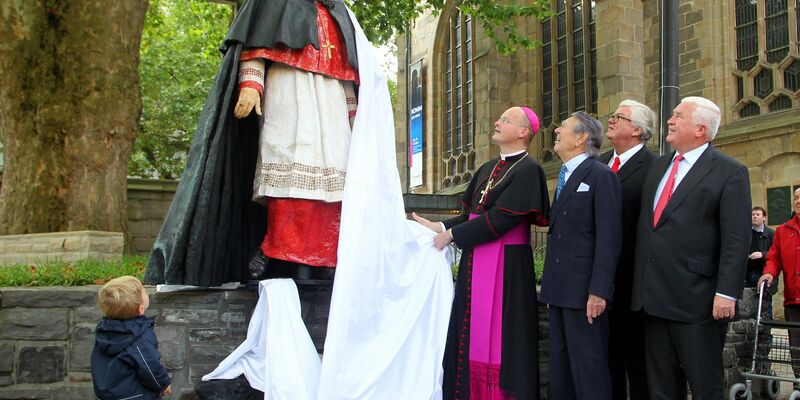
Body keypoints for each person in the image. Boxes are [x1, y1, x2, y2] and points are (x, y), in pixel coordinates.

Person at [146, 0, 362, 286]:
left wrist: (354, 114)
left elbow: (348, 72)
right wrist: (251, 85)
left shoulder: (339, 13)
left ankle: (324, 258)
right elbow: (254, 43)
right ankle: (276, 250)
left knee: (335, 180)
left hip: (331, 102)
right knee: (289, 173)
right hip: (289, 89)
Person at [413, 106, 550, 399]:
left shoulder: (530, 170)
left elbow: (502, 220)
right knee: (468, 331)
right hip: (476, 263)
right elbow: (470, 215)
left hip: (509, 268)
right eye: (499, 118)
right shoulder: (487, 168)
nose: (497, 122)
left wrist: (451, 236)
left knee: (506, 337)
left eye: (506, 120)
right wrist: (437, 226)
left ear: (524, 132)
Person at [630, 96, 751, 400]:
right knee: (662, 388)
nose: (669, 120)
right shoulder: (659, 166)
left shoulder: (728, 171)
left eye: (678, 116)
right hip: (653, 300)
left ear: (700, 129)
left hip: (697, 301)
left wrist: (727, 292)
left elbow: (736, 238)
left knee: (705, 386)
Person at [540, 111, 622, 400]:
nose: (556, 132)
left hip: (586, 294)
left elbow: (608, 238)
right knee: (561, 371)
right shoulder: (564, 175)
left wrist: (599, 291)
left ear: (581, 137)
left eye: (562, 127)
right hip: (560, 291)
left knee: (589, 369)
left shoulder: (601, 175)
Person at [598, 99, 656, 400]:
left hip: (632, 284)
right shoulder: (598, 163)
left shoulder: (654, 168)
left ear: (637, 129)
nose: (611, 120)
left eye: (618, 117)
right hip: (598, 283)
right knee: (607, 364)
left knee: (638, 364)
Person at [91, 276, 172, 399]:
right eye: (144, 292)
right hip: (135, 396)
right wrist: (162, 384)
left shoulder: (103, 330)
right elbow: (149, 365)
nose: (146, 292)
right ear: (140, 309)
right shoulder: (139, 336)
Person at [759, 188, 800, 378]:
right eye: (796, 197)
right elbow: (774, 258)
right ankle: (799, 382)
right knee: (796, 347)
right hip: (793, 301)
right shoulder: (783, 231)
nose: (798, 201)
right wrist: (768, 273)